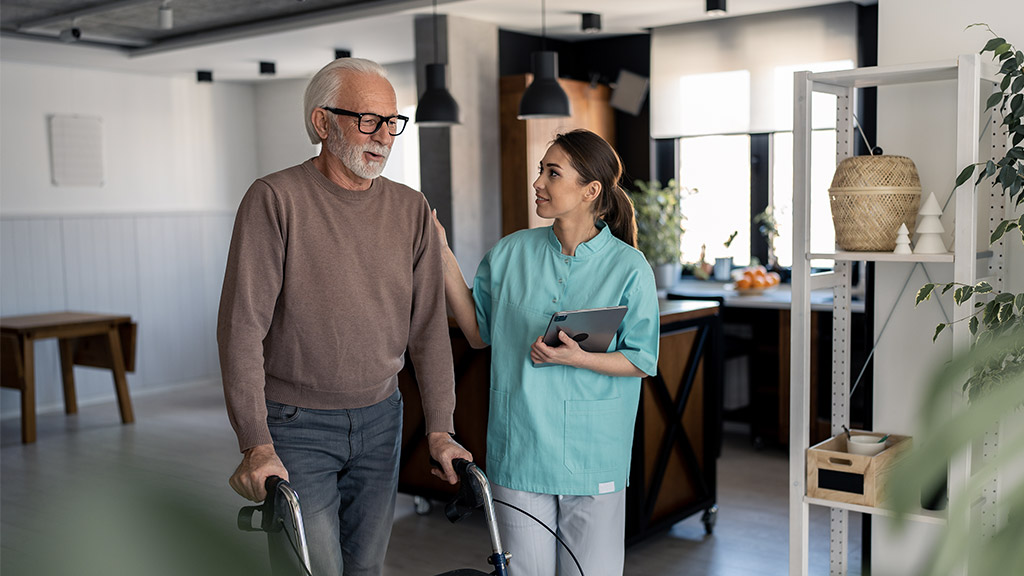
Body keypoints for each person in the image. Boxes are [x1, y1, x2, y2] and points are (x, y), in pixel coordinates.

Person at [217, 57, 472, 576]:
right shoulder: (274, 199)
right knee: (312, 570)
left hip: (383, 419)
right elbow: (242, 330)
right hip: (295, 425)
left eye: (392, 122)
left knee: (366, 569)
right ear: (322, 122)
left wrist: (440, 428)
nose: (384, 136)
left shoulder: (412, 210)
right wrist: (255, 443)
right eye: (368, 120)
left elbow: (428, 333)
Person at [434, 129, 660, 576]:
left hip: (594, 454)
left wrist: (580, 358)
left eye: (552, 173)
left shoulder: (629, 267)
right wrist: (441, 251)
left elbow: (641, 359)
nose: (538, 182)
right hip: (520, 449)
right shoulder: (511, 252)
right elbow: (478, 333)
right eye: (541, 170)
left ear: (590, 191)